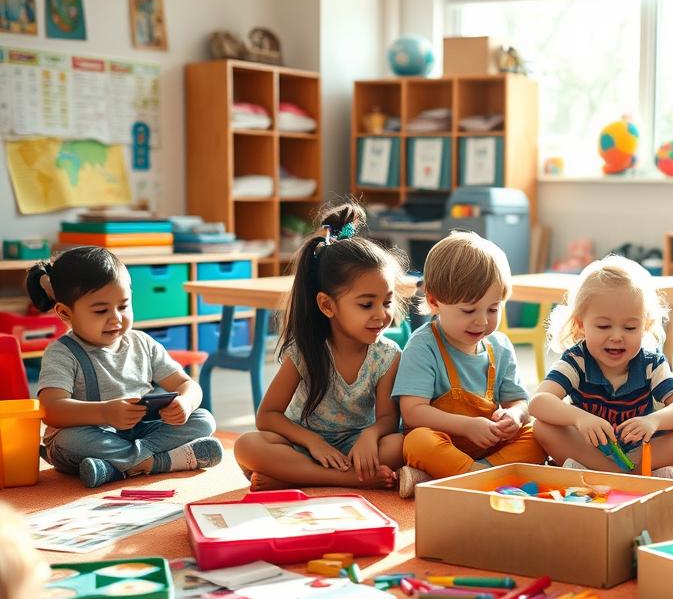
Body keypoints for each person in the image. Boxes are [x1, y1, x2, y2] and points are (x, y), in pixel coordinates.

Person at [234, 204, 405, 490]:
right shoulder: (305, 350)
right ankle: (348, 480)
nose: (381, 314)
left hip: (356, 447)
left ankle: (290, 478)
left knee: (401, 443)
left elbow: (389, 418)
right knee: (246, 446)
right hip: (303, 443)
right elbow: (267, 416)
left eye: (386, 302)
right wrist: (312, 442)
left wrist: (369, 437)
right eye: (366, 304)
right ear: (327, 305)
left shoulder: (387, 355)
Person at [30, 246, 222, 488]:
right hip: (92, 436)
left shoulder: (142, 343)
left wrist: (185, 403)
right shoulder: (62, 353)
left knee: (203, 419)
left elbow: (187, 384)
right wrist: (104, 413)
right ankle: (161, 462)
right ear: (65, 312)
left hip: (140, 432)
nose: (116, 318)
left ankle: (116, 468)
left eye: (123, 306)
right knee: (68, 440)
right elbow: (51, 409)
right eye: (101, 310)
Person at [394, 231, 546, 498]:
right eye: (468, 311)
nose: (482, 322)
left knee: (539, 434)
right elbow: (413, 412)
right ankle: (484, 479)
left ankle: (465, 477)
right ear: (433, 302)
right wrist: (467, 426)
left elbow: (520, 402)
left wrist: (515, 416)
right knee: (417, 442)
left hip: (488, 447)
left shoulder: (499, 346)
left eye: (493, 309)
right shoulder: (423, 345)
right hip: (443, 444)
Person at [530, 256, 673, 477]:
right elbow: (538, 402)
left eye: (630, 327)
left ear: (645, 325)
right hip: (591, 449)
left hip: (637, 451)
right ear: (581, 325)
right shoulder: (577, 360)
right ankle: (630, 475)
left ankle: (613, 473)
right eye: (603, 326)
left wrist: (653, 421)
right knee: (542, 427)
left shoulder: (650, 362)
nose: (617, 336)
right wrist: (580, 419)